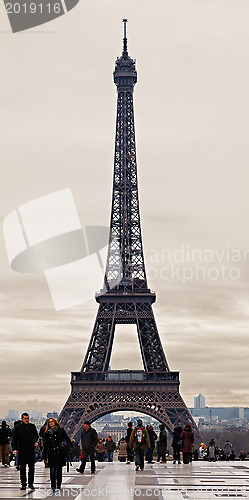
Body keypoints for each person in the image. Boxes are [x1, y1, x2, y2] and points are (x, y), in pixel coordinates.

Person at [43, 417, 71, 493]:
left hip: (60, 453)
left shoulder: (61, 430)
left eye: (52, 421)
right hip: (52, 453)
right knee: (52, 471)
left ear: (55, 422)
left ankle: (58, 485)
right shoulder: (47, 433)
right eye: (49, 422)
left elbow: (66, 438)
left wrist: (69, 445)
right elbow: (46, 445)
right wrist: (44, 455)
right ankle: (53, 486)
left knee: (59, 471)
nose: (51, 423)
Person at [12, 412, 38, 491]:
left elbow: (36, 436)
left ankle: (31, 483)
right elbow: (15, 439)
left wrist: (33, 441)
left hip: (30, 449)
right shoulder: (17, 428)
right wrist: (14, 449)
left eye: (28, 418)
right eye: (25, 418)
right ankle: (23, 484)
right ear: (22, 419)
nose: (27, 420)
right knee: (22, 468)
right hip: (22, 449)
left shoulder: (32, 426)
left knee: (31, 468)